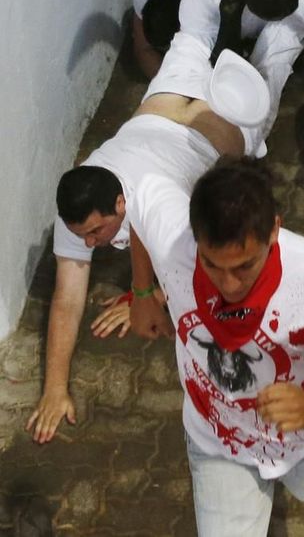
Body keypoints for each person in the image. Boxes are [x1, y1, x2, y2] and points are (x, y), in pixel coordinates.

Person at [25, 42, 271, 444]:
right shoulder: (79, 203)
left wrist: (148, 296)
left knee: (267, 71)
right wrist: (55, 388)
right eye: (81, 234)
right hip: (161, 107)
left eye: (96, 233)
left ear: (122, 202)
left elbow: (200, 267)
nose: (88, 243)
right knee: (190, 36)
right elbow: (67, 299)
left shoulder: (166, 205)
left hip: (224, 126)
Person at [125, 158, 304, 536]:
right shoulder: (171, 236)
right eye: (213, 265)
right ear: (194, 236)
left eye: (244, 266)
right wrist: (142, 291)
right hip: (217, 440)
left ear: (274, 231)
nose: (229, 285)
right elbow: (138, 203)